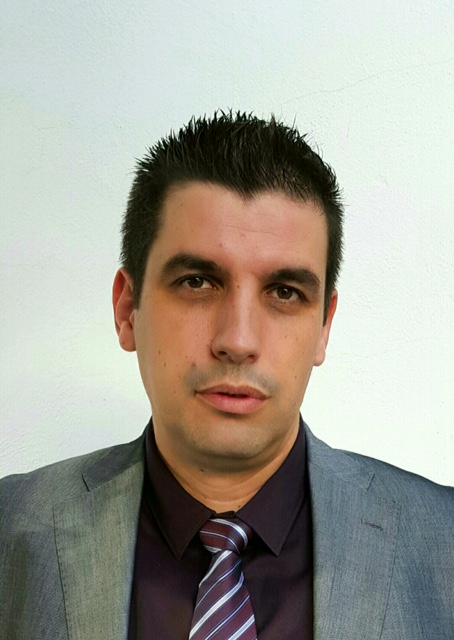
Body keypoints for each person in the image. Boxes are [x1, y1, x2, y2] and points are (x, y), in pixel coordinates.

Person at [1, 111, 453, 640]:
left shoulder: (442, 543)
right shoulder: (13, 529)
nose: (237, 340)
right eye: (197, 282)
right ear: (127, 310)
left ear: (324, 326)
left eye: (284, 292)